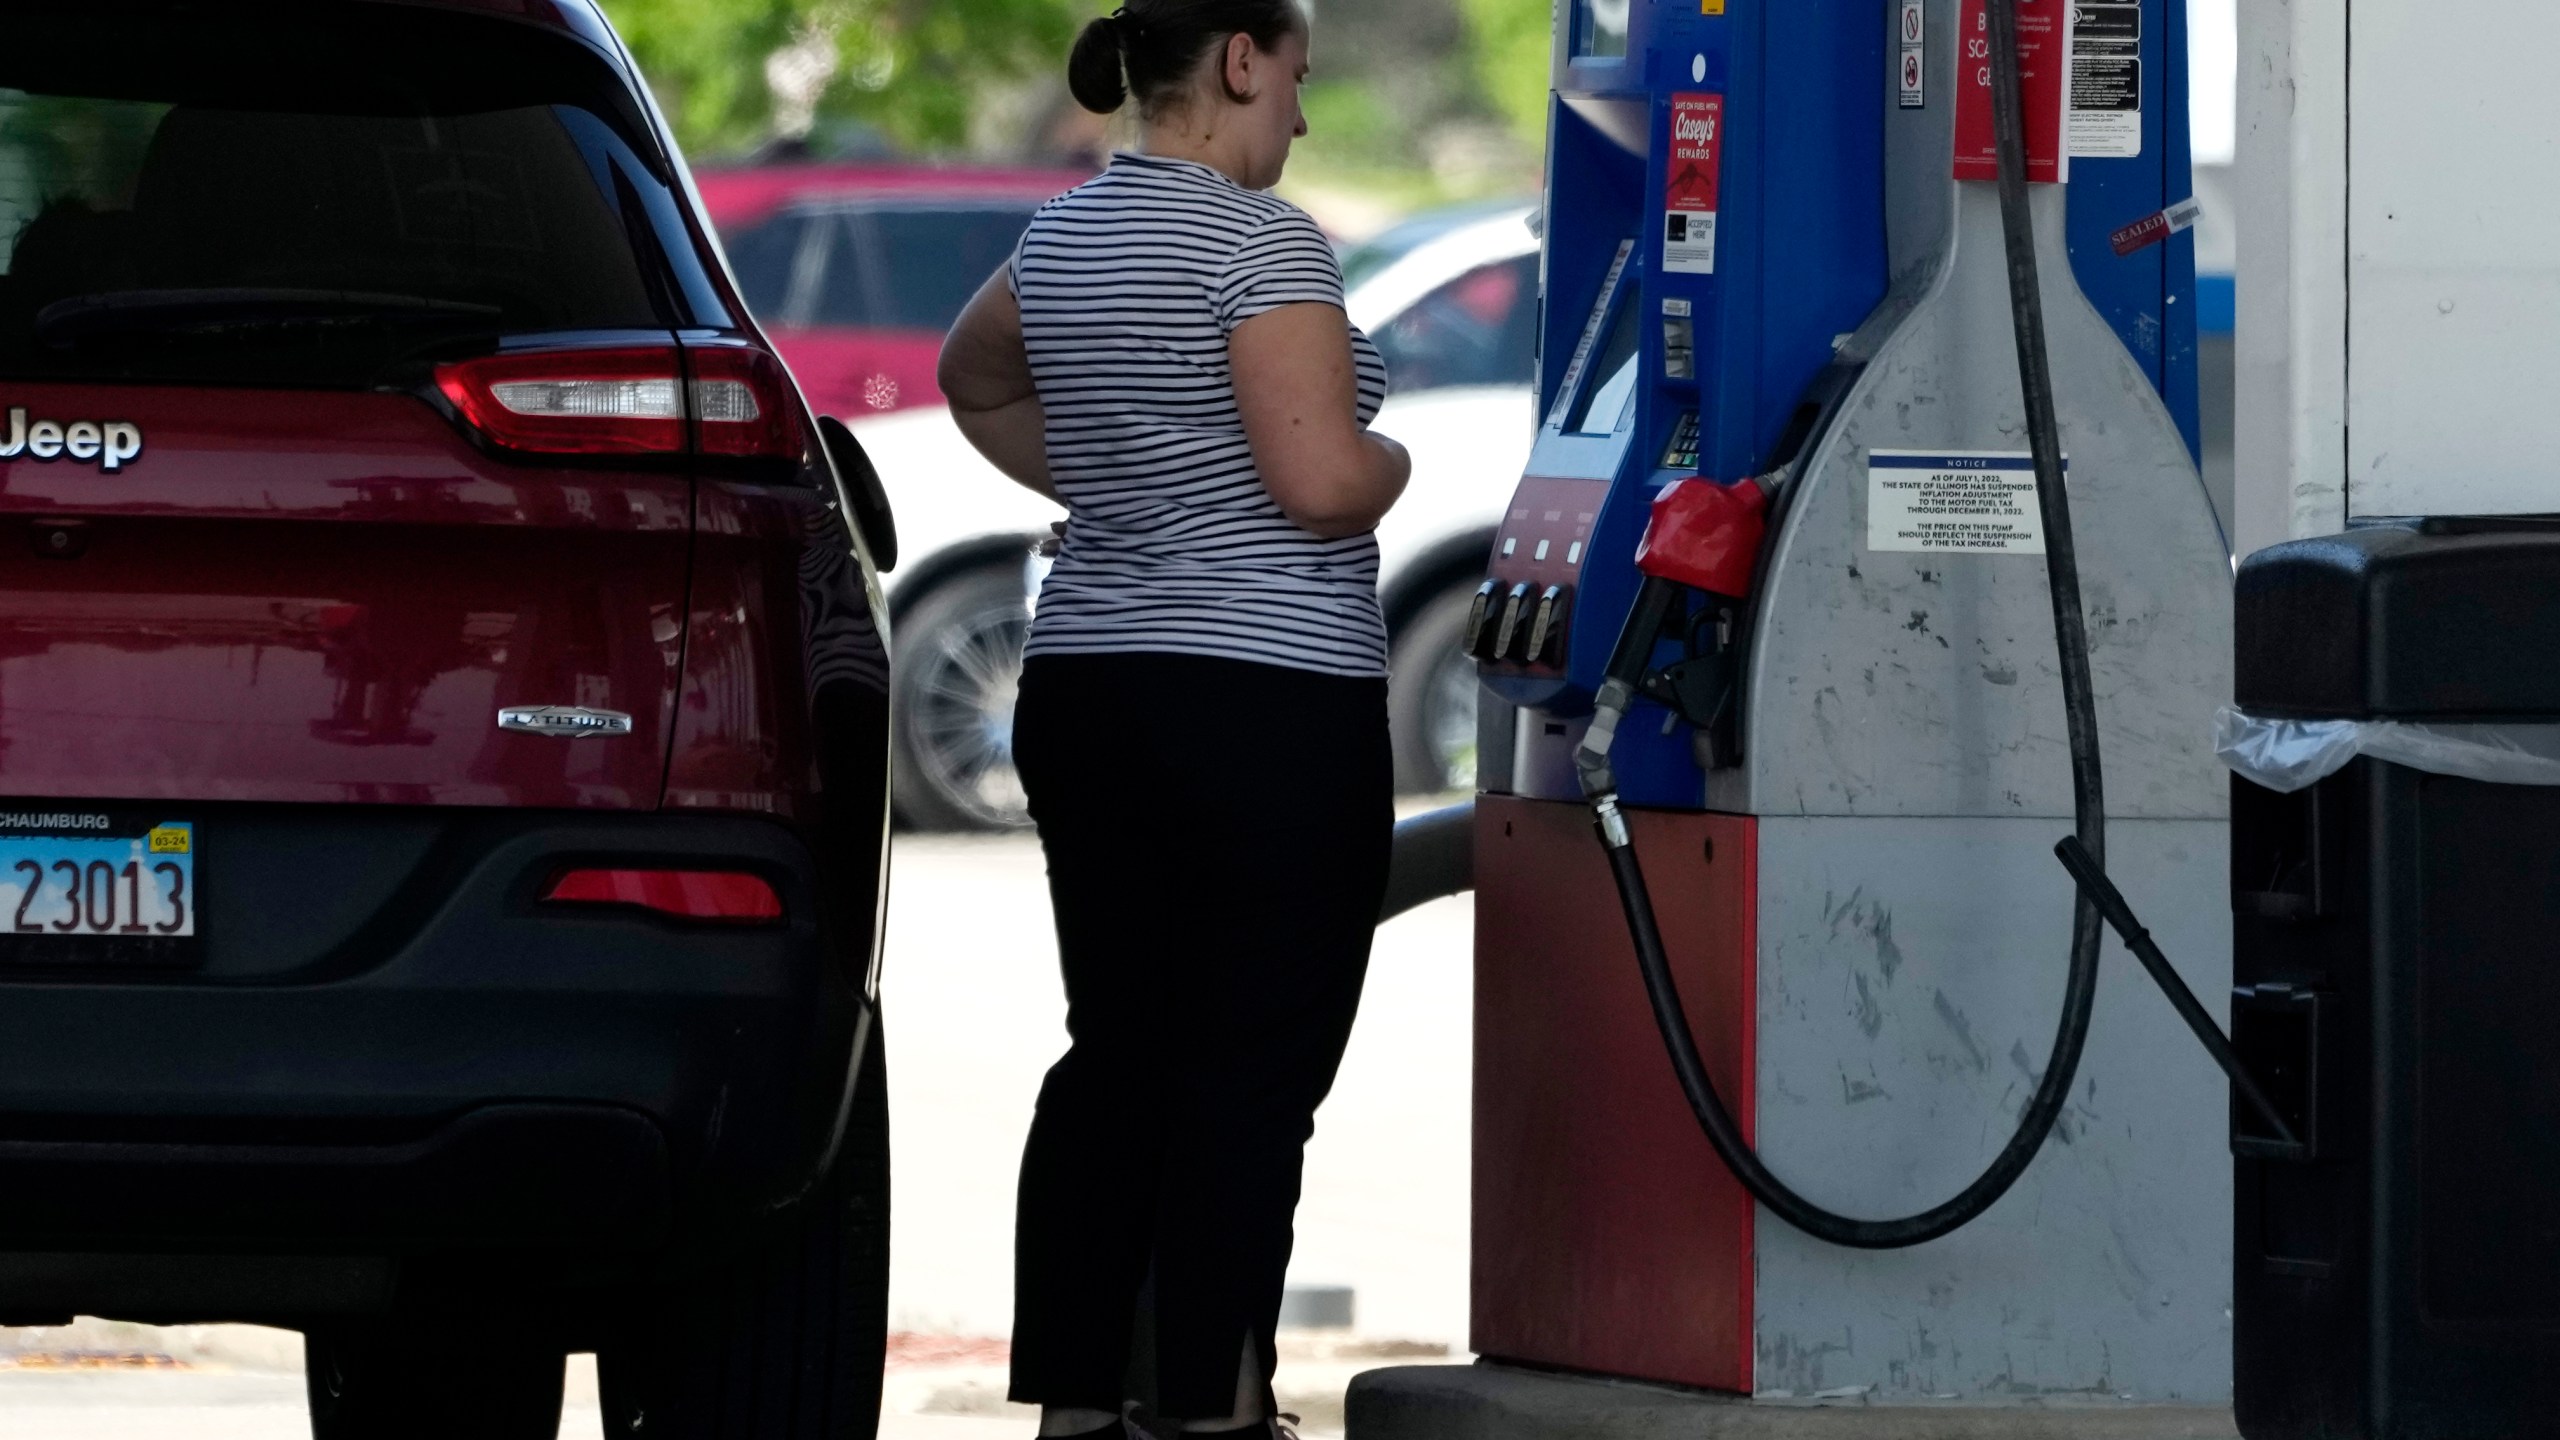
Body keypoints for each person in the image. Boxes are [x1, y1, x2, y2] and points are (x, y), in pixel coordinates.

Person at [936, 2, 1412, 1436]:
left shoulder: (1062, 234)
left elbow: (973, 380)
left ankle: (1079, 1403)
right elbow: (1322, 481)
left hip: (1094, 685)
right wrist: (1395, 454)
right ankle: (1211, 1407)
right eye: (1299, 81)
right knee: (1252, 1071)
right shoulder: (1264, 243)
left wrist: (1112, 486)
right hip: (1269, 699)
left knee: (1118, 1055)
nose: (1304, 122)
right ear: (1240, 61)